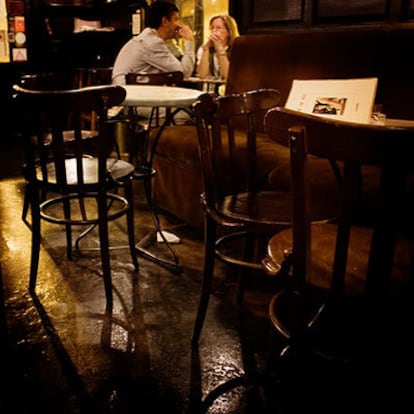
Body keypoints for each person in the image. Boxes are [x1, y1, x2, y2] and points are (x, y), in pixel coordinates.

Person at [112, 0, 195, 85]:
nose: (179, 25)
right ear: (165, 21)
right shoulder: (152, 43)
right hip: (129, 95)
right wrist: (189, 41)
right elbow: (184, 73)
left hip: (127, 93)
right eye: (176, 19)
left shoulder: (147, 39)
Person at [196, 14, 239, 82]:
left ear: (229, 32)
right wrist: (206, 49)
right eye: (212, 28)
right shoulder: (204, 49)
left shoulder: (237, 49)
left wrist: (220, 49)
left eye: (218, 27)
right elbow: (202, 75)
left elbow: (229, 77)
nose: (214, 30)